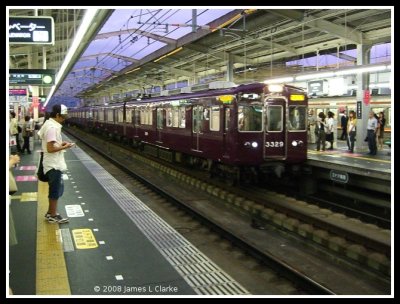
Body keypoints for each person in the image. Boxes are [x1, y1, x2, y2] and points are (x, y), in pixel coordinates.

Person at [39, 104, 75, 223]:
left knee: (56, 189)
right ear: (57, 115)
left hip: (52, 162)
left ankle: (51, 212)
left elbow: (52, 144)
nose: (64, 119)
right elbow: (50, 149)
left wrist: (61, 144)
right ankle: (53, 216)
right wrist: (66, 147)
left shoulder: (51, 125)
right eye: (63, 117)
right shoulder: (52, 128)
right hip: (53, 164)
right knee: (55, 190)